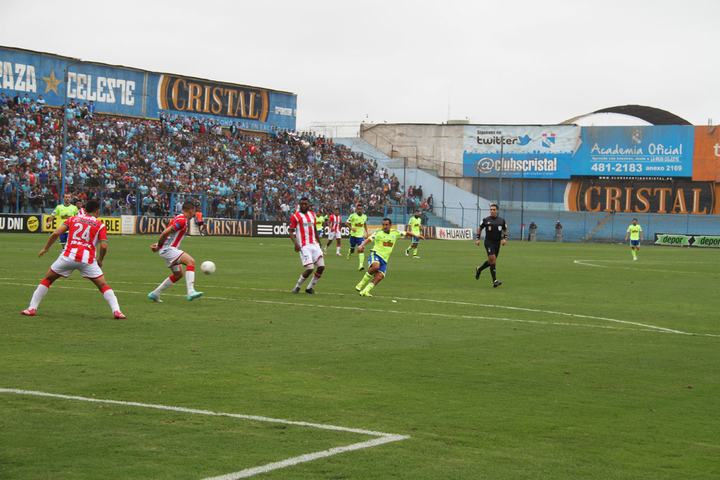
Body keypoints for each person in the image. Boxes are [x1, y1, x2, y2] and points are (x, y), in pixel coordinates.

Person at [20, 199, 126, 319]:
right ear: (97, 211)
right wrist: (100, 260)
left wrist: (45, 248)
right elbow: (104, 246)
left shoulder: (73, 219)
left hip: (68, 257)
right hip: (87, 260)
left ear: (85, 209)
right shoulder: (100, 225)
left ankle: (31, 308)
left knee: (48, 279)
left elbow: (55, 233)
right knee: (103, 285)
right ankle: (117, 311)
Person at [147, 201, 203, 302]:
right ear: (190, 210)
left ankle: (155, 293)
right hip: (169, 249)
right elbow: (165, 233)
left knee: (178, 275)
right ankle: (191, 291)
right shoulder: (182, 221)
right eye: (194, 211)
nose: (194, 213)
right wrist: (159, 246)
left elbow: (168, 235)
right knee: (191, 262)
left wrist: (159, 245)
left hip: (168, 249)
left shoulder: (179, 218)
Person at [355, 217, 423, 297]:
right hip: (376, 254)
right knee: (376, 266)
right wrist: (361, 245)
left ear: (390, 225)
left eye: (386, 225)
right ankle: (360, 284)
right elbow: (369, 239)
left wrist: (416, 236)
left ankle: (365, 291)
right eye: (383, 225)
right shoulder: (378, 233)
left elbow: (406, 233)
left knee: (380, 276)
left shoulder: (395, 233)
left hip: (385, 259)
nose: (385, 226)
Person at [289, 197, 325, 294]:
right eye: (302, 204)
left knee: (321, 267)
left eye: (305, 204)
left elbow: (314, 229)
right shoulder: (295, 216)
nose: (304, 205)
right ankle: (297, 286)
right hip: (304, 246)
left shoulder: (312, 214)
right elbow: (290, 231)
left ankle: (309, 288)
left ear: (309, 205)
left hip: (315, 244)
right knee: (310, 268)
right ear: (299, 205)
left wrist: (319, 242)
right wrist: (296, 243)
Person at [474, 203, 508, 288]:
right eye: (491, 209)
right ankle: (495, 281)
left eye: (494, 210)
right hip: (488, 242)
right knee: (493, 259)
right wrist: (477, 238)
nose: (492, 211)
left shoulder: (501, 220)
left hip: (497, 243)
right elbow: (480, 228)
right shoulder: (486, 220)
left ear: (497, 211)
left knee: (491, 261)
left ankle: (479, 269)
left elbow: (505, 229)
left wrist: (505, 238)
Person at [346, 203, 368, 270]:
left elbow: (364, 224)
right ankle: (350, 252)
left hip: (360, 236)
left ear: (362, 209)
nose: (359, 210)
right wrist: (351, 228)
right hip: (353, 235)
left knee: (361, 249)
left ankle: (361, 265)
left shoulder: (365, 216)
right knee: (352, 248)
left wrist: (366, 232)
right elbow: (346, 223)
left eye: (361, 209)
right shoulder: (352, 216)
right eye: (358, 209)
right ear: (356, 209)